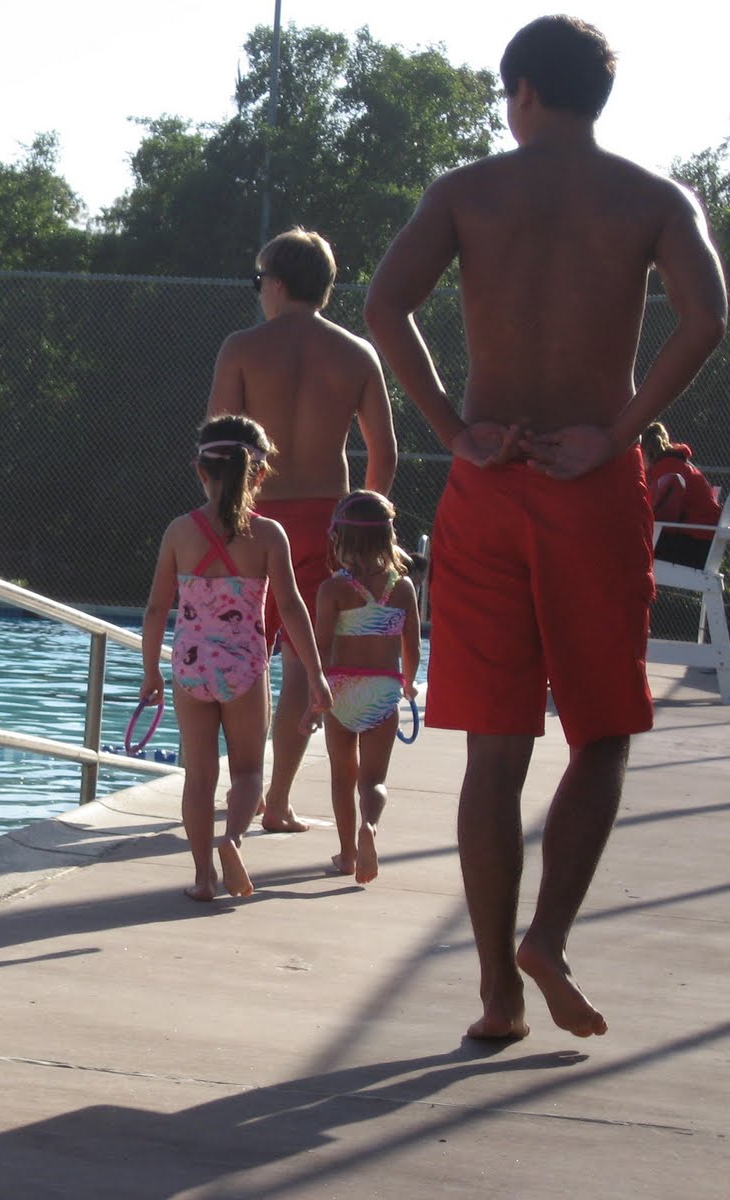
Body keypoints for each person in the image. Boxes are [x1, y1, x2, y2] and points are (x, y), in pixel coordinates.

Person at [364, 15, 727, 1040]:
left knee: (495, 747)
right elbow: (707, 316)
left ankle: (496, 993)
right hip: (591, 482)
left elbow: (385, 306)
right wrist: (619, 429)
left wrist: (453, 431)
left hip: (490, 482)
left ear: (523, 90)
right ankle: (548, 938)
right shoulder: (654, 199)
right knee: (601, 734)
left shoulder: (466, 193)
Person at [207, 228, 398, 834]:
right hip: (327, 522)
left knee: (241, 656)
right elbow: (385, 454)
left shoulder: (242, 348)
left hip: (253, 515)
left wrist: (219, 519)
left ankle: (242, 784)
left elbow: (219, 445)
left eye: (258, 280)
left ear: (277, 283)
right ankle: (278, 801)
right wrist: (362, 527)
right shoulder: (357, 354)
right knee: (300, 663)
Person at [140, 415, 331, 902]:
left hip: (190, 667)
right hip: (244, 667)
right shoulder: (268, 535)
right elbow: (292, 607)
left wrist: (150, 671)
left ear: (199, 470)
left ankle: (203, 877)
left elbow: (157, 608)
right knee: (247, 772)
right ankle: (233, 840)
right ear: (259, 474)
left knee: (199, 778)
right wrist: (315, 673)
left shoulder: (179, 532)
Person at [306, 491, 421, 884]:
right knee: (373, 781)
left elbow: (321, 646)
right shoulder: (402, 588)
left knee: (343, 777)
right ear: (388, 537)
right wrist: (410, 685)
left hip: (341, 690)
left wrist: (314, 697)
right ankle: (369, 824)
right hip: (383, 692)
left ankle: (347, 855)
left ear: (340, 539)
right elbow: (412, 647)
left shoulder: (333, 590)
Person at [641, 421, 721, 568]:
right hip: (705, 543)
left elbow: (661, 515)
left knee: (630, 546)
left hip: (696, 546)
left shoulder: (667, 468)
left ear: (645, 450)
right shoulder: (674, 463)